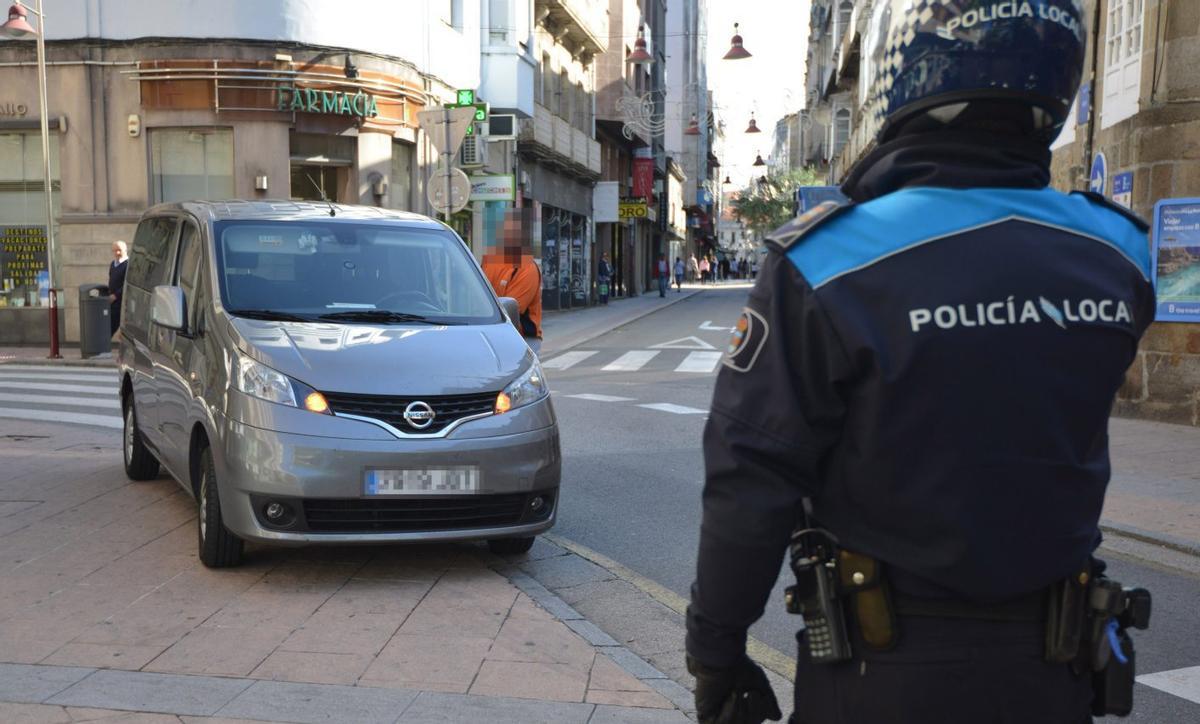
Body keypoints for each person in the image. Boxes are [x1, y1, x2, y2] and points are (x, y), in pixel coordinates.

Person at [685, 2, 1155, 723]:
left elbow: (752, 480)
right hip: (1056, 671)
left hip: (879, 671)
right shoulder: (1119, 256)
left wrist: (716, 653)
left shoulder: (826, 261)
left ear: (903, 71)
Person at [483, 209, 543, 356]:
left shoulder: (527, 268)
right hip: (489, 333)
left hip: (521, 339)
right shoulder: (489, 261)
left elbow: (512, 310)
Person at [107, 240, 128, 337]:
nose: (117, 253)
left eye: (119, 250)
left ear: (125, 250)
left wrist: (115, 295)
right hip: (112, 303)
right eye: (114, 251)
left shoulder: (128, 264)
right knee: (108, 329)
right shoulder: (113, 264)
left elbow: (127, 284)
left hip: (122, 303)